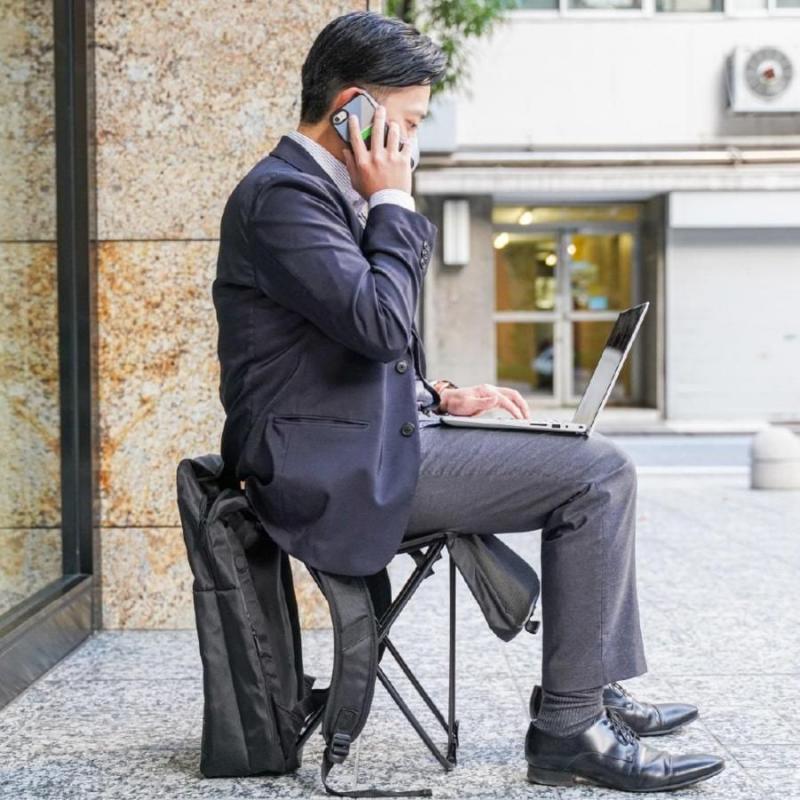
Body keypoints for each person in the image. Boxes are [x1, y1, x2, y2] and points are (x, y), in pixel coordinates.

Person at [212, 10, 726, 793]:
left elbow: (335, 349)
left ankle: (588, 691)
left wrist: (439, 393)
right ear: (353, 107)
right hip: (332, 474)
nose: (410, 143)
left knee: (590, 465)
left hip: (360, 444)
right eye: (408, 122)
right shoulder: (285, 197)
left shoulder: (312, 193)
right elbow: (380, 323)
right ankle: (570, 727)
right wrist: (394, 202)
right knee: (599, 473)